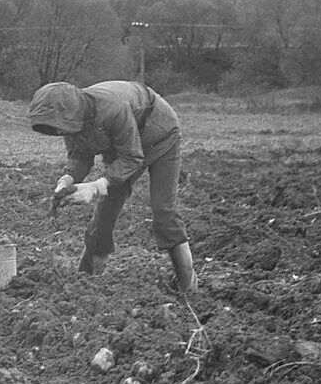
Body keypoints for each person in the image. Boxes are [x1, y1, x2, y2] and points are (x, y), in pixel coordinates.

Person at [28, 80, 197, 293]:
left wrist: (97, 186)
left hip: (160, 137)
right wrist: (67, 180)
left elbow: (132, 158)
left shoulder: (111, 109)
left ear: (71, 113)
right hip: (122, 146)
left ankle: (187, 285)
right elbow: (80, 156)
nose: (60, 133)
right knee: (104, 214)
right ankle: (87, 283)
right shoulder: (71, 122)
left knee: (163, 211)